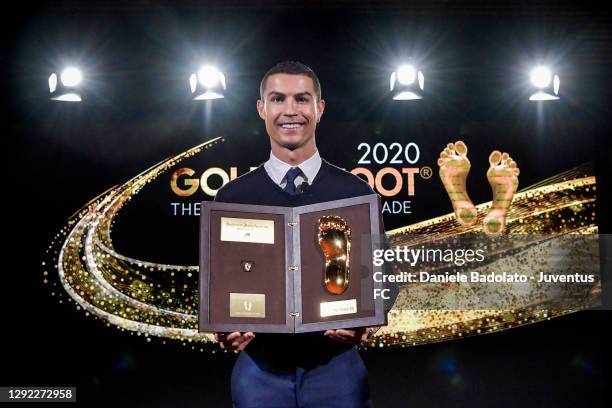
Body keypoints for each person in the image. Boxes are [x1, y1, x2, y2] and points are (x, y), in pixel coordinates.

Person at [214, 61, 379, 408]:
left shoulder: (356, 192)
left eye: (302, 99)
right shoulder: (232, 197)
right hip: (259, 368)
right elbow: (220, 281)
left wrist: (366, 323)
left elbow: (380, 276)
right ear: (262, 109)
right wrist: (225, 328)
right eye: (278, 99)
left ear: (319, 108)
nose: (290, 111)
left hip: (336, 367)